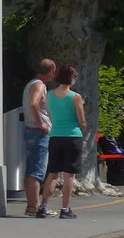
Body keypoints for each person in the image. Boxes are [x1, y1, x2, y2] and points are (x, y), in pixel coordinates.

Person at [39, 64, 86, 219]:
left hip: (55, 136)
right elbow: (82, 120)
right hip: (72, 136)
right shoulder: (75, 97)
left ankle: (43, 206)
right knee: (68, 175)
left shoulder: (49, 95)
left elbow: (51, 116)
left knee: (52, 174)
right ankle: (65, 209)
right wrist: (83, 131)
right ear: (71, 78)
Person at [21, 58, 57, 216]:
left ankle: (31, 205)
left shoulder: (32, 83)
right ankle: (35, 206)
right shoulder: (39, 85)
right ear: (50, 72)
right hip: (38, 132)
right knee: (37, 169)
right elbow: (34, 104)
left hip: (31, 130)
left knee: (32, 168)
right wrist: (41, 123)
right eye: (53, 73)